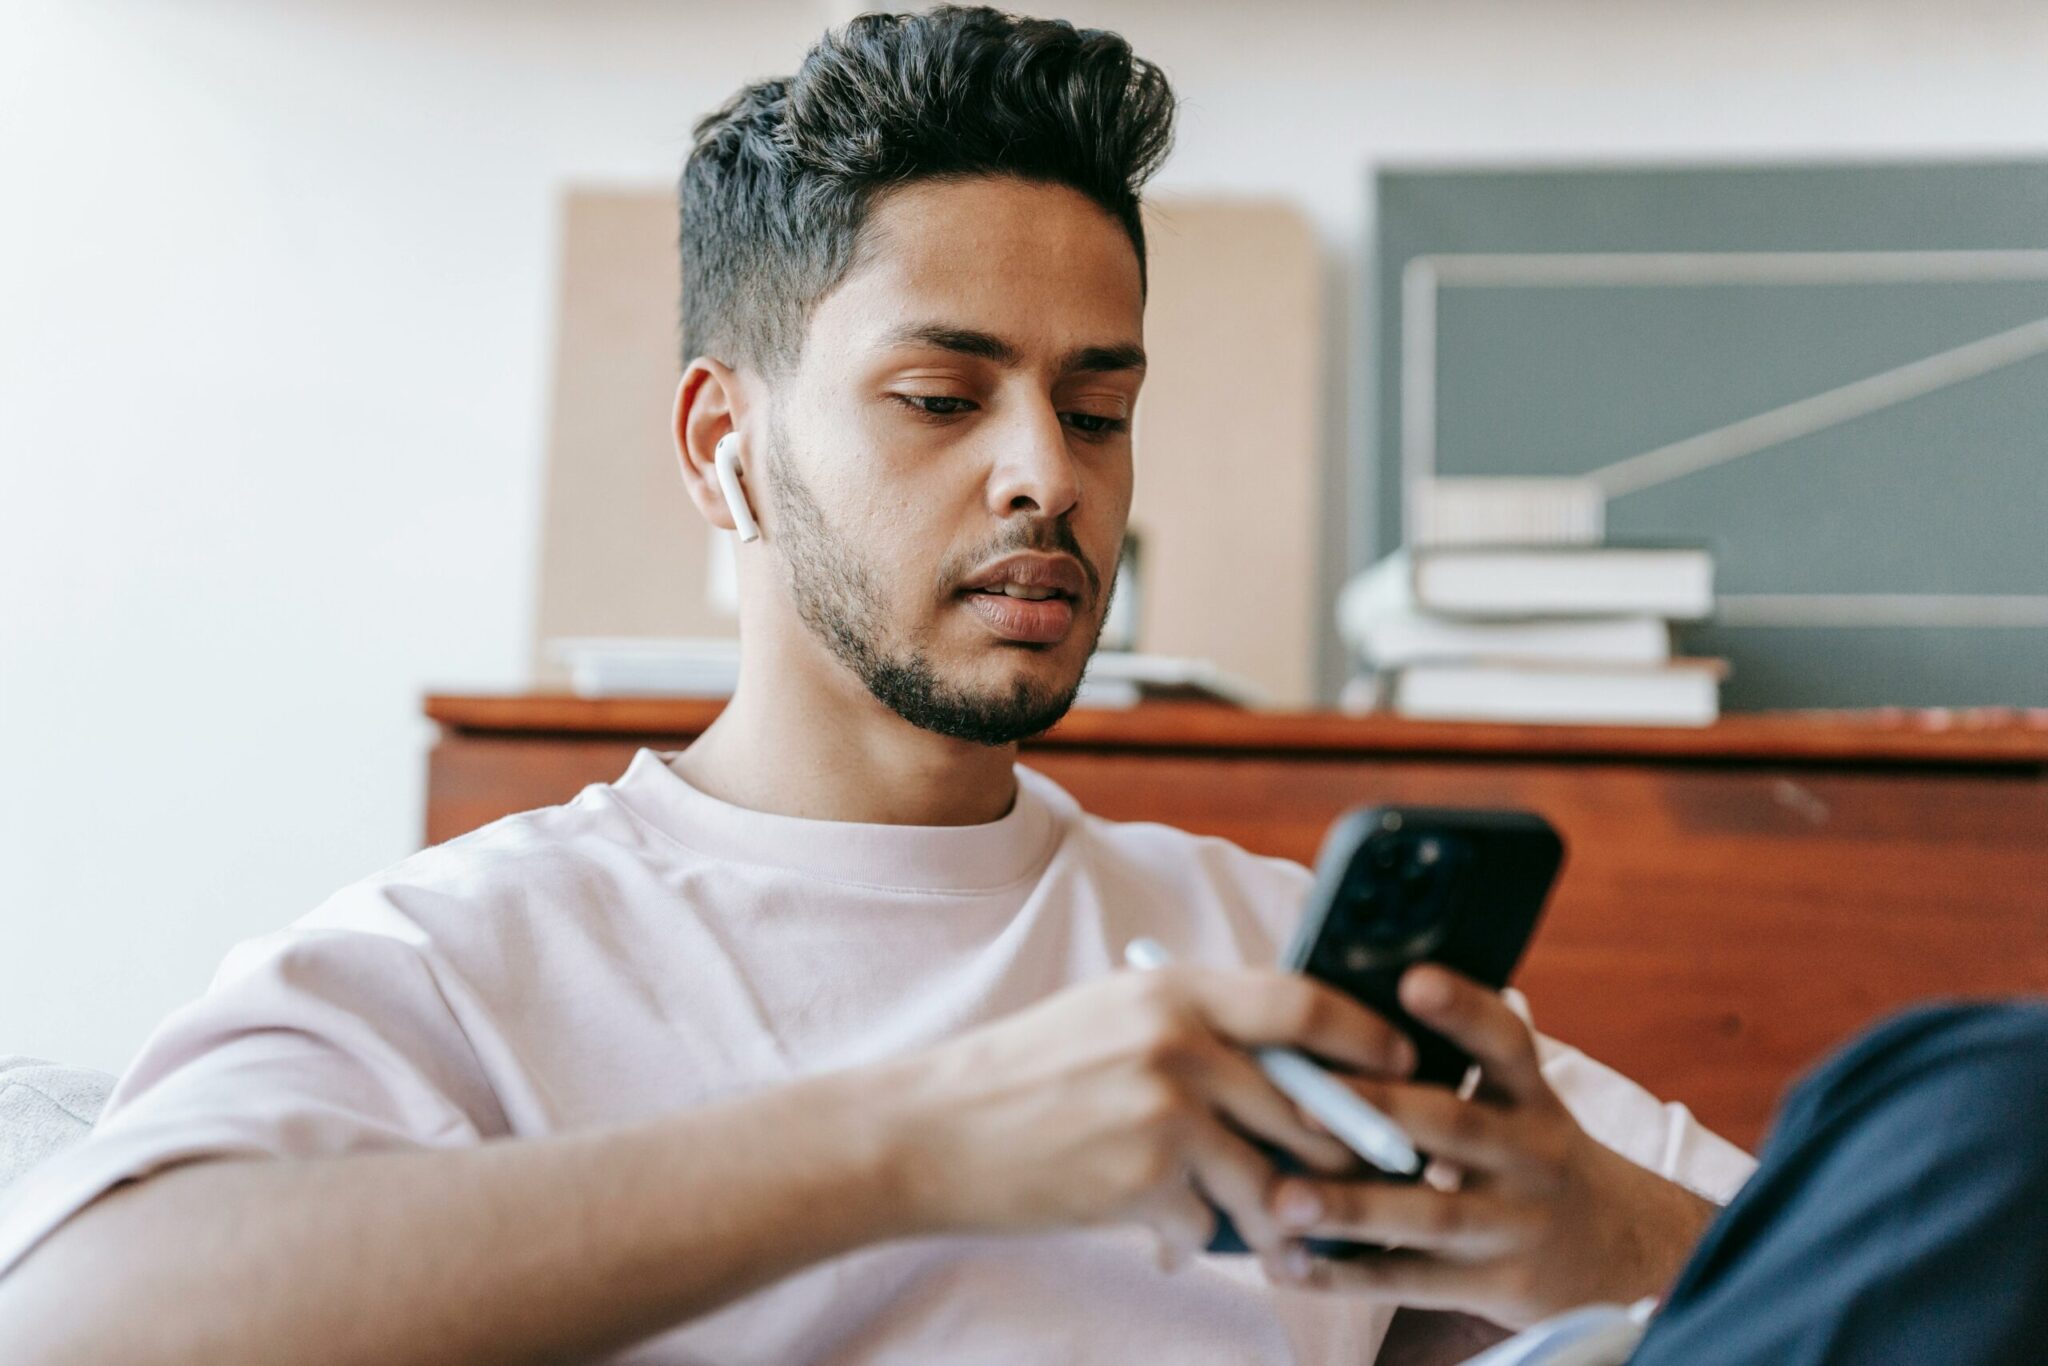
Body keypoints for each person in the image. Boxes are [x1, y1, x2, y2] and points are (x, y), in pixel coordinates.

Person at [0, 10, 1751, 1363]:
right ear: (724, 445)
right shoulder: (468, 957)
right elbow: (71, 1317)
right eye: (940, 397)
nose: (1047, 475)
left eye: (1098, 408)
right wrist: (928, 1138)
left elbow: (1875, 1276)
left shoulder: (1270, 958)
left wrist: (1594, 1231)